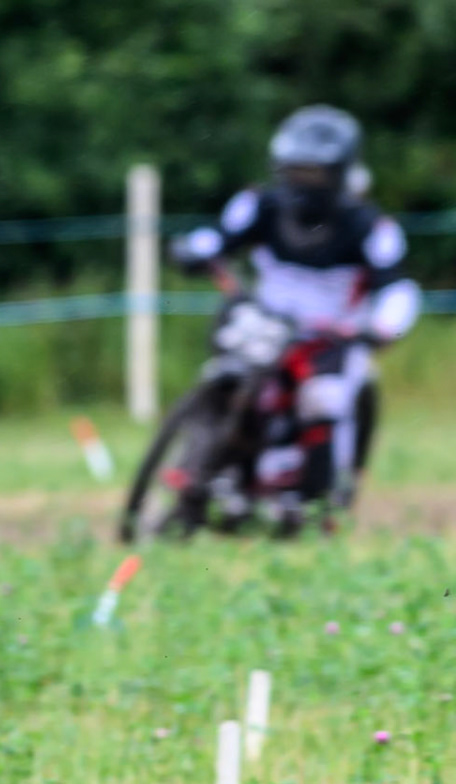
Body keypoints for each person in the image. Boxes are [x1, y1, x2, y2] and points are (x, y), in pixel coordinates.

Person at [173, 105, 421, 524]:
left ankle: (316, 504)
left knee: (323, 398)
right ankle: (201, 473)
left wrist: (381, 327)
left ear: (339, 173)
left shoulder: (371, 226)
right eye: (294, 170)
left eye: (314, 173)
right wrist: (194, 250)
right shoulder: (260, 205)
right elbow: (218, 237)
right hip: (266, 320)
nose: (302, 183)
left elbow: (396, 288)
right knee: (228, 372)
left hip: (330, 337)